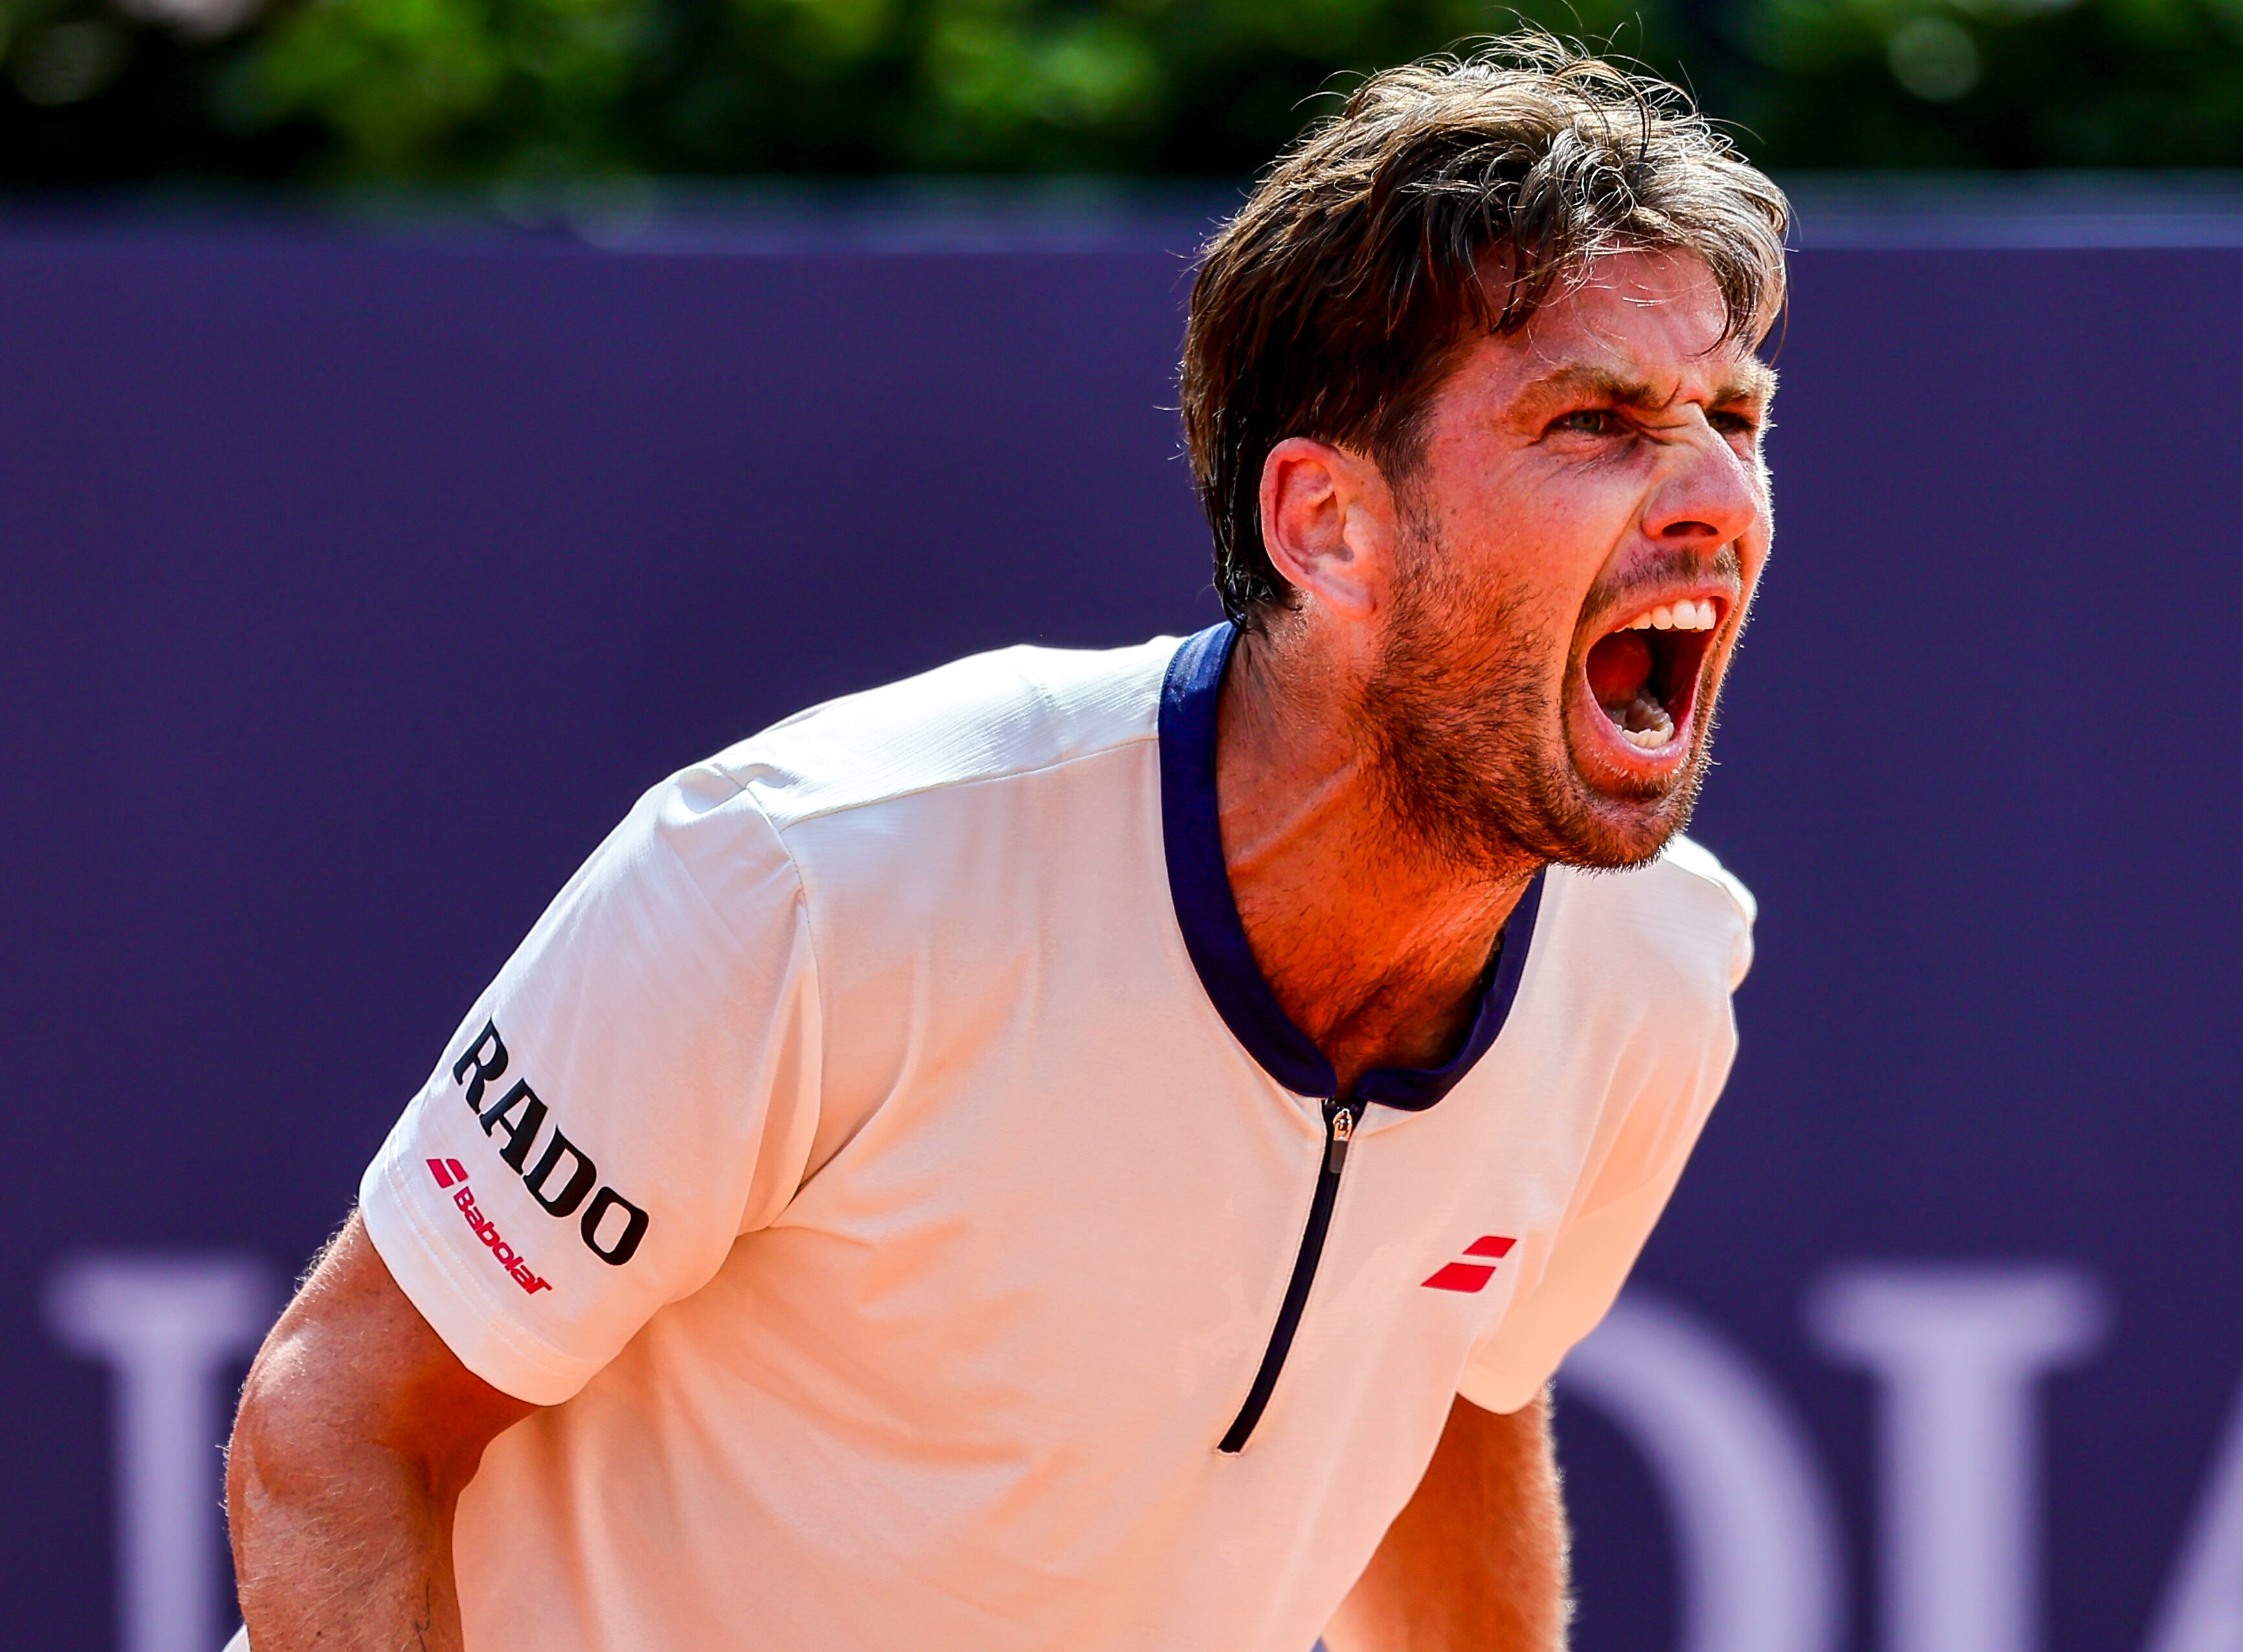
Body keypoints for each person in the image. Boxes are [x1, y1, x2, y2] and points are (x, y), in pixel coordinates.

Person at [223, 35, 1787, 1652]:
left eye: (1734, 416)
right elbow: (341, 1416)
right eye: (1597, 420)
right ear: (1329, 525)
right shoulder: (815, 875)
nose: (1716, 496)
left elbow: (1457, 1392)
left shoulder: (1654, 968)